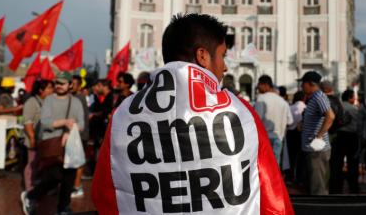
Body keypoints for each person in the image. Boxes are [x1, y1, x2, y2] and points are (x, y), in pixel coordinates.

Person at [92, 13, 293, 214]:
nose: (224, 67)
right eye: (222, 56)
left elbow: (105, 194)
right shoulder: (239, 112)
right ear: (203, 56)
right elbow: (272, 198)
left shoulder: (122, 115)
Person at [21, 72, 85, 215]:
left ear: (70, 85)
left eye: (62, 83)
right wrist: (65, 122)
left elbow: (81, 124)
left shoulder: (76, 102)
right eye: (57, 83)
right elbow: (45, 122)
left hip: (70, 146)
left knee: (69, 178)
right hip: (51, 144)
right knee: (54, 176)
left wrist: (69, 132)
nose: (59, 86)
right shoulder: (49, 100)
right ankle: (31, 196)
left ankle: (64, 207)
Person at [300, 71, 335, 195]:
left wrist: (319, 136)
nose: (301, 87)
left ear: (311, 84)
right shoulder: (314, 97)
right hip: (312, 149)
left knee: (318, 187)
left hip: (317, 150)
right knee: (314, 184)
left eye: (303, 84)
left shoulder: (319, 96)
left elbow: (330, 116)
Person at [21, 79, 54, 191]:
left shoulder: (48, 102)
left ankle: (39, 185)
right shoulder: (31, 102)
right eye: (49, 87)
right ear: (41, 90)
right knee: (32, 164)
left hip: (45, 140)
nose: (52, 90)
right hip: (34, 139)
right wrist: (32, 139)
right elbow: (27, 122)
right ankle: (29, 188)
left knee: (41, 164)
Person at [255, 75, 293, 165]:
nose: (258, 88)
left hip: (264, 138)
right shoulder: (283, 102)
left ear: (265, 85)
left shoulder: (261, 99)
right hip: (279, 137)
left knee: (264, 165)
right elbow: (290, 121)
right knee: (275, 165)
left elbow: (257, 119)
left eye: (259, 85)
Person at [330, 89, 361, 194]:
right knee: (352, 162)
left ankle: (337, 185)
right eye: (353, 97)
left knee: (337, 163)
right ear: (350, 98)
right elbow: (358, 125)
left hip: (338, 136)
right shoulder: (354, 109)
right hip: (352, 137)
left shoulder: (337, 107)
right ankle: (353, 186)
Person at [71, 74, 90, 198]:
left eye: (73, 84)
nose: (70, 86)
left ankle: (77, 187)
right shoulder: (76, 97)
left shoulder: (79, 98)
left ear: (78, 86)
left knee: (78, 161)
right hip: (76, 134)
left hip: (80, 135)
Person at [287, 91, 306, 187]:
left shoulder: (290, 107)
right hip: (300, 134)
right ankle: (299, 178)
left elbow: (288, 121)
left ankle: (290, 177)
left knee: (291, 157)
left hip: (290, 133)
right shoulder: (305, 107)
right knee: (300, 157)